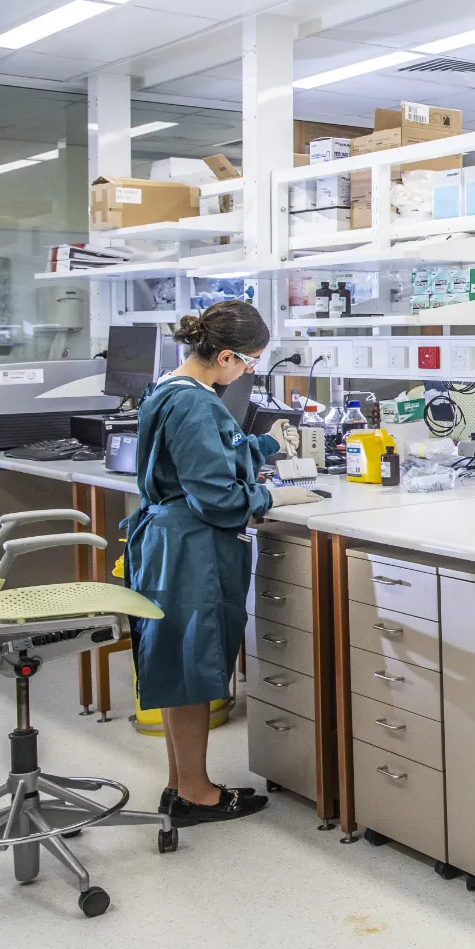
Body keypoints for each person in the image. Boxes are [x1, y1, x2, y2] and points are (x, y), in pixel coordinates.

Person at [122, 300, 321, 825]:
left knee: (175, 668)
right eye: (251, 362)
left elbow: (212, 450)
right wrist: (269, 500)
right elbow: (215, 496)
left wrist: (260, 446)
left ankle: (181, 783)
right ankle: (196, 793)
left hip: (171, 542)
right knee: (189, 670)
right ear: (227, 356)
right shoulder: (195, 404)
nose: (249, 371)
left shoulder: (173, 388)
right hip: (191, 548)